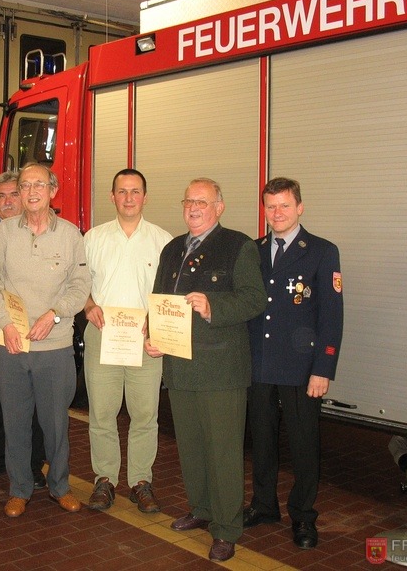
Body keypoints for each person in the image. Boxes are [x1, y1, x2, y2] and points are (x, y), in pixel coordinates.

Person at [145, 178, 266, 562]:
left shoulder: (238, 246)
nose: (193, 208)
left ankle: (227, 527)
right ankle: (201, 508)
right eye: (188, 201)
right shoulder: (171, 249)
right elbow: (160, 299)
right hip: (179, 367)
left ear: (219, 206)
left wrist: (213, 305)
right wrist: (151, 333)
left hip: (220, 369)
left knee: (224, 451)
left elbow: (254, 299)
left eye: (201, 201)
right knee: (192, 446)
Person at [0, 162, 91, 518]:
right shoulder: (3, 234)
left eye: (39, 185)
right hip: (11, 345)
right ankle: (19, 489)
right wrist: (5, 326)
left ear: (52, 191)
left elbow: (80, 286)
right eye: (25, 185)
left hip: (55, 345)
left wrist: (54, 314)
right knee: (15, 421)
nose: (31, 192)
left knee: (56, 423)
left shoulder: (71, 235)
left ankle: (60, 486)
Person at [245, 177, 344, 549]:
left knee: (304, 446)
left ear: (299, 207)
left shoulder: (321, 251)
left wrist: (323, 368)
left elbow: (332, 316)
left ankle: (303, 516)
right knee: (263, 442)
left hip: (303, 369)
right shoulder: (252, 250)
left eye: (284, 205)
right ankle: (264, 505)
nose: (277, 213)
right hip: (260, 365)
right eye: (271, 206)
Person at [83, 169, 172, 513]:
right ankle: (104, 480)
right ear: (112, 196)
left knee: (145, 414)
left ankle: (139, 481)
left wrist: (157, 324)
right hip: (103, 335)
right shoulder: (93, 238)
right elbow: (79, 286)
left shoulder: (163, 241)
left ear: (145, 197)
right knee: (102, 413)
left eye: (135, 191)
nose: (129, 197)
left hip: (144, 339)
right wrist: (89, 306)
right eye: (122, 191)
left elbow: (168, 295)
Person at [0, 170, 47, 488]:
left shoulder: (36, 233)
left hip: (33, 334)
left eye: (14, 194)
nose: (8, 202)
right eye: (2, 196)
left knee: (32, 406)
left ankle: (33, 466)